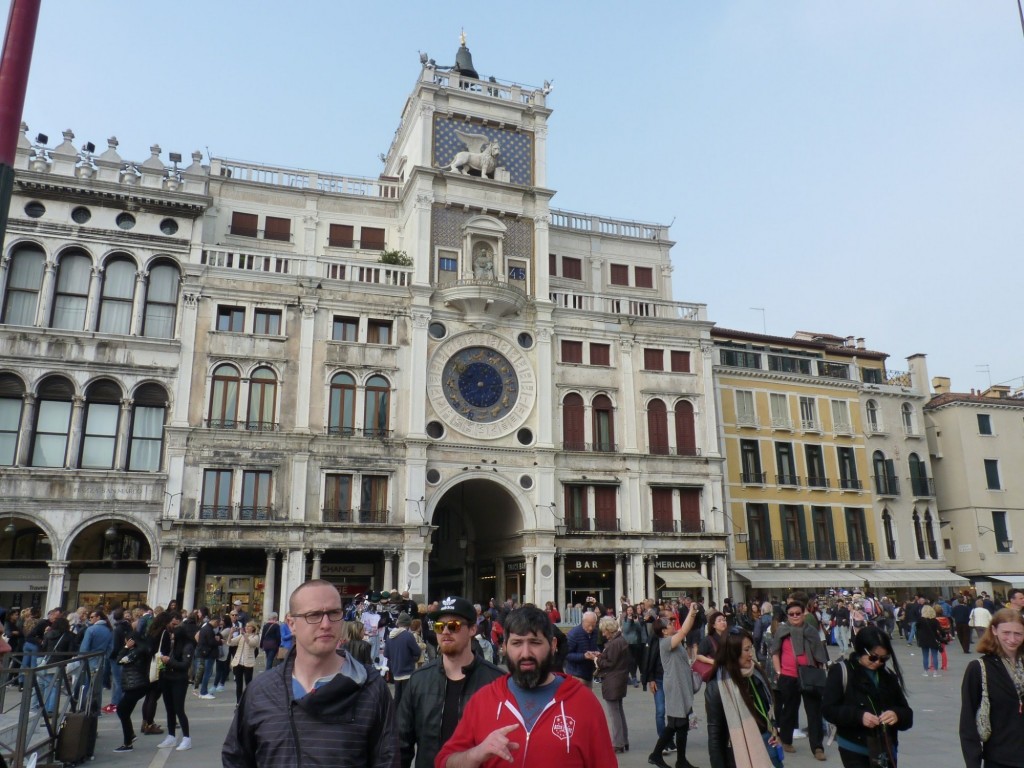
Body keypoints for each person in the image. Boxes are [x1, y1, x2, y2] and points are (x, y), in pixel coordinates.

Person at [222, 579, 398, 767]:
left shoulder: (372, 688)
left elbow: (387, 760)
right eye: (313, 615)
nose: (326, 624)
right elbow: (236, 758)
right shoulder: (260, 691)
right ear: (291, 624)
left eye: (334, 613)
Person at [435, 605, 616, 768]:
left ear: (553, 645)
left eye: (535, 643)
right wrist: (475, 754)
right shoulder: (483, 701)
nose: (525, 653)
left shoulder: (584, 703)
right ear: (505, 647)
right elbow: (444, 761)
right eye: (517, 643)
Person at [398, 595, 503, 768]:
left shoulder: (496, 681)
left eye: (453, 626)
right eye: (439, 626)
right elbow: (401, 745)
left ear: (472, 629)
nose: (445, 631)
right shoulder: (419, 680)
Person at [823, 626, 913, 768]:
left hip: (886, 747)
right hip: (854, 747)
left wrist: (897, 715)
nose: (878, 662)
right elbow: (828, 709)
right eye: (873, 657)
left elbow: (907, 713)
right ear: (860, 651)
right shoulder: (841, 671)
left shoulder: (888, 675)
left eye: (884, 658)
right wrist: (859, 716)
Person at [705, 627, 783, 768]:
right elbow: (715, 736)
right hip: (740, 753)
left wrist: (774, 730)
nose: (750, 654)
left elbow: (767, 709)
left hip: (768, 744)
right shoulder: (717, 687)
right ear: (732, 653)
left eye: (751, 648)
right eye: (746, 650)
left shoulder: (755, 672)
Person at [959, 608, 1024, 768]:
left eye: (1018, 634)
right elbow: (968, 722)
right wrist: (973, 763)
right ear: (994, 630)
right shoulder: (979, 668)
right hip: (1001, 758)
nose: (1012, 639)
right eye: (1006, 633)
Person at [771, 599, 828, 760]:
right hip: (788, 676)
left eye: (798, 613)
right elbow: (774, 652)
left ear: (803, 614)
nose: (795, 616)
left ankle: (817, 747)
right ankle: (786, 740)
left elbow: (819, 653)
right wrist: (779, 671)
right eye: (791, 614)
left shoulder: (811, 631)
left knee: (814, 712)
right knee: (789, 710)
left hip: (809, 675)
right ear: (787, 615)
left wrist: (820, 670)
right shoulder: (782, 631)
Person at [647, 601, 698, 768]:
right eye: (669, 623)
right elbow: (684, 631)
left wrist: (693, 614)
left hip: (681, 686)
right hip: (675, 687)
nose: (672, 623)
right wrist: (691, 612)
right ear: (664, 631)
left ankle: (680, 760)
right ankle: (657, 756)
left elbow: (682, 631)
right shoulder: (665, 643)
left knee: (679, 725)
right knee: (677, 724)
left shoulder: (671, 640)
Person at [155, 610, 194, 751]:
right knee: (169, 709)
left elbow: (185, 665)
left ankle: (186, 738)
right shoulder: (172, 645)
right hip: (167, 678)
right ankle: (171, 736)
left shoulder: (187, 646)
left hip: (179, 679)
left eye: (174, 635)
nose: (172, 637)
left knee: (179, 709)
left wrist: (169, 661)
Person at [112, 625, 154, 753]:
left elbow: (119, 660)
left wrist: (125, 648)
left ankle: (128, 741)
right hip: (137, 684)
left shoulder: (137, 651)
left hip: (135, 685)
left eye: (127, 641)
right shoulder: (142, 649)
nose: (125, 642)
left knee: (122, 710)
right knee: (124, 711)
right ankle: (129, 736)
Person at [594, 615, 631, 753]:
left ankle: (618, 742)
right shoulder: (620, 640)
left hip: (613, 679)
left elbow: (610, 663)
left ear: (609, 630)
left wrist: (597, 660)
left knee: (614, 713)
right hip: (619, 678)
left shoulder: (615, 643)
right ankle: (623, 740)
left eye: (604, 631)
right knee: (619, 711)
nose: (603, 634)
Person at [384, 612, 422, 707]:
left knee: (397, 697)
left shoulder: (390, 636)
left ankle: (395, 716)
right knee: (407, 698)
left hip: (396, 671)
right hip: (407, 671)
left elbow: (386, 654)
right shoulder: (408, 636)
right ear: (408, 624)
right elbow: (417, 651)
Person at [564, 611, 599, 688]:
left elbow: (595, 646)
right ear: (583, 622)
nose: (590, 628)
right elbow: (566, 654)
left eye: (593, 625)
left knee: (588, 698)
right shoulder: (573, 634)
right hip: (576, 675)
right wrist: (583, 656)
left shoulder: (595, 632)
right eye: (588, 625)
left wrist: (597, 652)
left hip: (589, 674)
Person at [228, 620, 259, 706]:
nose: (246, 628)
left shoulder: (255, 637)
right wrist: (231, 633)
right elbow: (230, 642)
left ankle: (248, 700)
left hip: (248, 662)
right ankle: (238, 701)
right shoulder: (241, 636)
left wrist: (244, 634)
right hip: (238, 662)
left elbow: (251, 643)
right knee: (238, 683)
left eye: (249, 626)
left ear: (253, 628)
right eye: (246, 626)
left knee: (248, 683)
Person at [916, 605, 943, 678]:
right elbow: (940, 630)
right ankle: (935, 672)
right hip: (933, 639)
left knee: (925, 656)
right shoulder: (935, 620)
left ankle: (925, 671)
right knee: (934, 656)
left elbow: (917, 629)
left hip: (923, 640)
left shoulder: (920, 620)